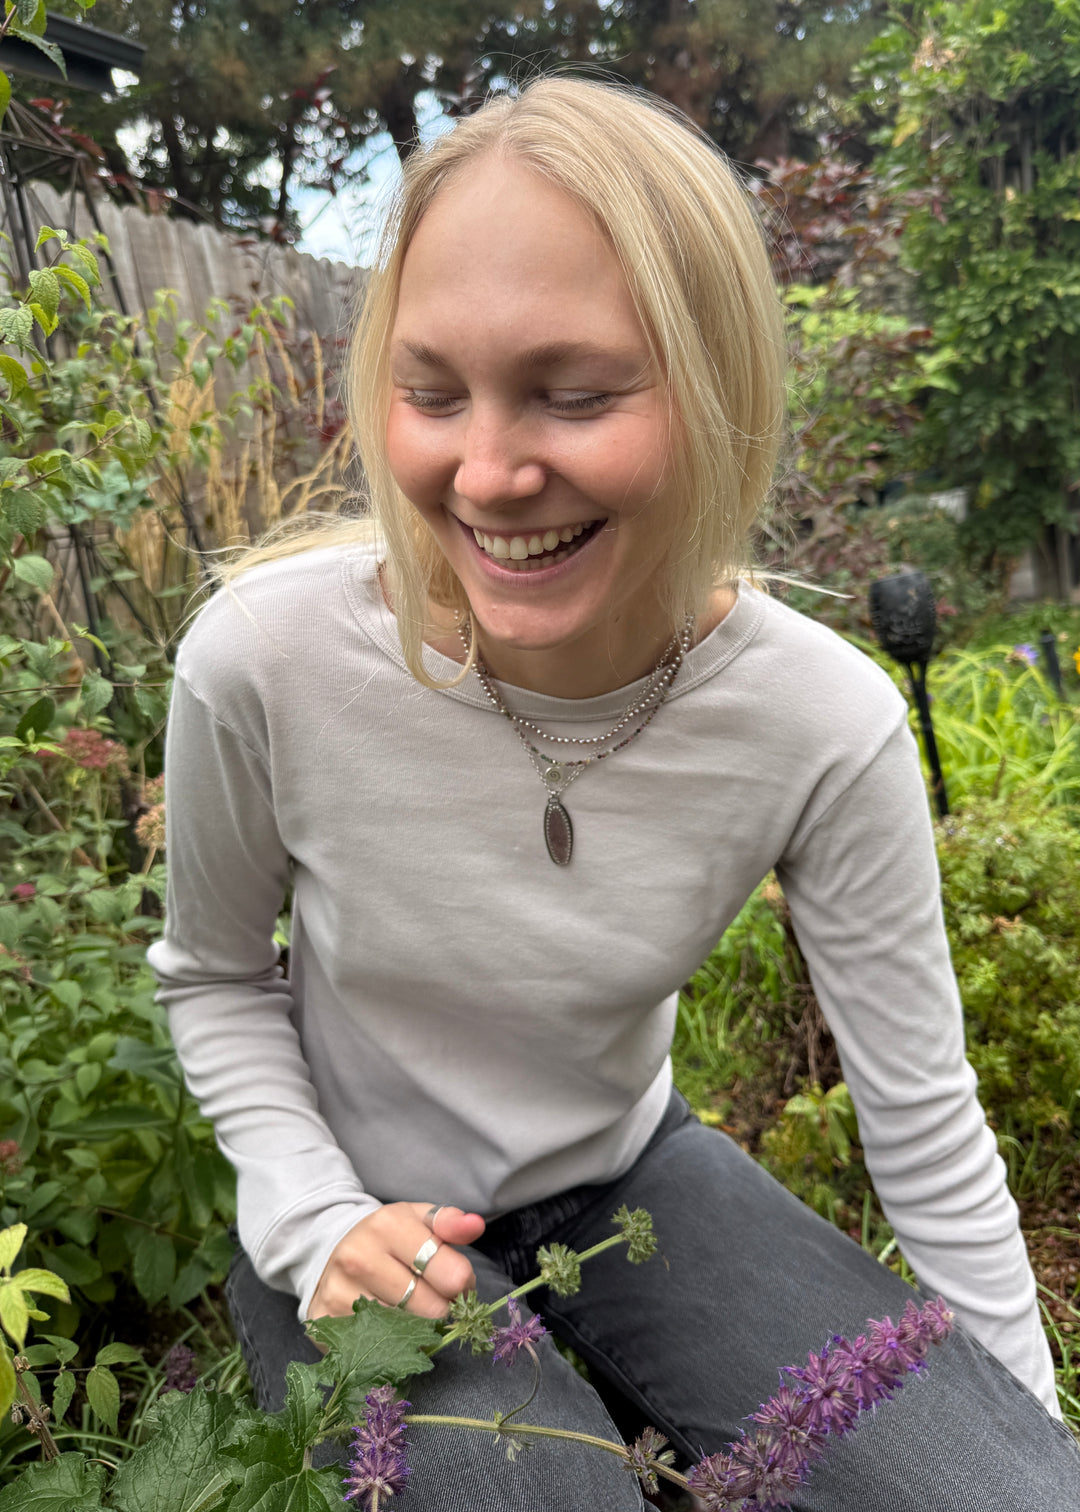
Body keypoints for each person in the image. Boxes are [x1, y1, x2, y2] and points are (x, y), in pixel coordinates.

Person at [147, 76, 1080, 1510]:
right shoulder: (265, 663)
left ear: (717, 389)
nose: (489, 470)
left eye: (574, 395)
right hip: (365, 1220)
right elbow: (214, 978)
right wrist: (309, 1214)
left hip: (635, 1184)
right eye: (431, 390)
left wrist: (1017, 1442)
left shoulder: (821, 722)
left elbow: (921, 1116)